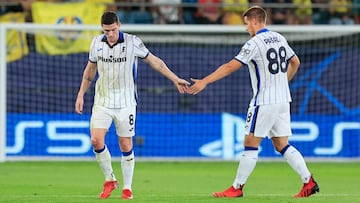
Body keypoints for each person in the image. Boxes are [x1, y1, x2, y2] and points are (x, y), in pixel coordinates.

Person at [187, 6, 319, 198]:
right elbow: (295, 62)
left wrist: (205, 81)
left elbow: (231, 65)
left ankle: (237, 188)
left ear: (255, 21)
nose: (246, 27)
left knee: (250, 143)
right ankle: (309, 181)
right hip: (283, 99)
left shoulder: (254, 43)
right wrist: (283, 83)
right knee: (281, 144)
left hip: (264, 101)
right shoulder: (279, 37)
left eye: (247, 23)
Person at [75, 11, 189, 200]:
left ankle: (127, 188)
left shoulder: (132, 42)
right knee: (96, 140)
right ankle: (109, 179)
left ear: (118, 25)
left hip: (126, 102)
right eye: (106, 31)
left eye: (112, 30)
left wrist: (175, 79)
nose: (109, 34)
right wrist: (81, 94)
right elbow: (90, 71)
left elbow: (155, 62)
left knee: (125, 144)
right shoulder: (96, 43)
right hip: (102, 100)